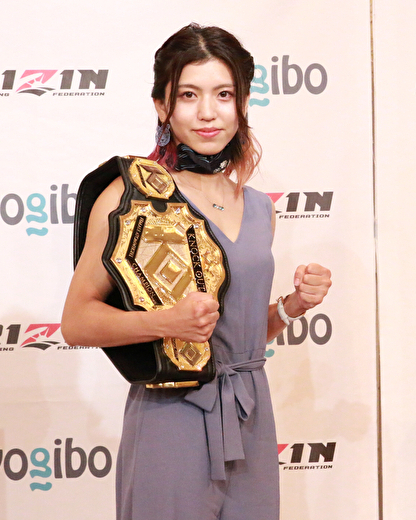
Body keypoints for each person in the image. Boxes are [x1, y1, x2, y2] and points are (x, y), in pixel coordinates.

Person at [61, 23, 331, 520]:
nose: (208, 112)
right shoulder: (131, 197)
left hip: (251, 414)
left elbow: (235, 335)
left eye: (223, 94)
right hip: (172, 417)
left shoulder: (259, 208)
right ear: (162, 106)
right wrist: (166, 323)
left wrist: (292, 307)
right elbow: (76, 322)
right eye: (189, 95)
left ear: (242, 103)